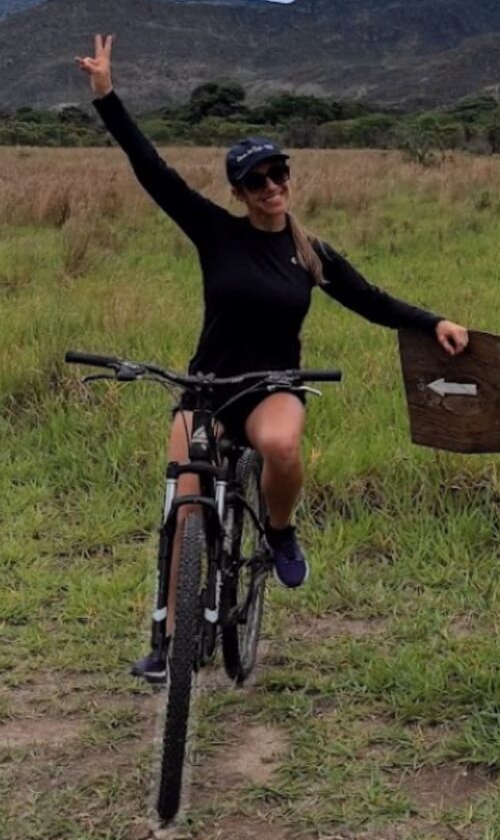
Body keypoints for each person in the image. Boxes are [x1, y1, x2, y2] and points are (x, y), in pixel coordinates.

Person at [76, 34, 469, 682]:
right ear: (238, 190)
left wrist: (435, 324)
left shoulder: (310, 252)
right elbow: (153, 171)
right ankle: (169, 637)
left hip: (274, 384)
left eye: (277, 174)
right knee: (184, 501)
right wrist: (106, 96)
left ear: (290, 178)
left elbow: (370, 300)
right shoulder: (216, 233)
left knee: (283, 448)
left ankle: (280, 531)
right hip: (207, 387)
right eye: (255, 180)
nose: (269, 187)